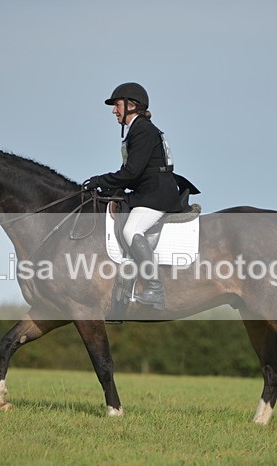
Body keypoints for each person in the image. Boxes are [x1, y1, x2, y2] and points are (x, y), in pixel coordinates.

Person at [83, 82, 183, 309]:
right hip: (147, 190)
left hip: (156, 195)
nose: (114, 111)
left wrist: (101, 181)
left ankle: (155, 288)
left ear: (132, 105)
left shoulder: (143, 130)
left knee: (131, 230)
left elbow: (131, 172)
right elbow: (133, 173)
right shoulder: (138, 129)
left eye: (117, 105)